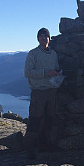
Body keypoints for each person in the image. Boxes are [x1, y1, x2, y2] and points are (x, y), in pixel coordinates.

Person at [23, 27, 60, 159]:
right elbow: (27, 73)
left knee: (49, 118)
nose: (44, 38)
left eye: (46, 36)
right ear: (38, 39)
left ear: (49, 39)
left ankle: (45, 145)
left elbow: (55, 68)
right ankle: (30, 149)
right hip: (38, 91)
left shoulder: (54, 54)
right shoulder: (33, 54)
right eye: (42, 36)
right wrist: (46, 73)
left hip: (51, 90)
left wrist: (57, 73)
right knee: (35, 119)